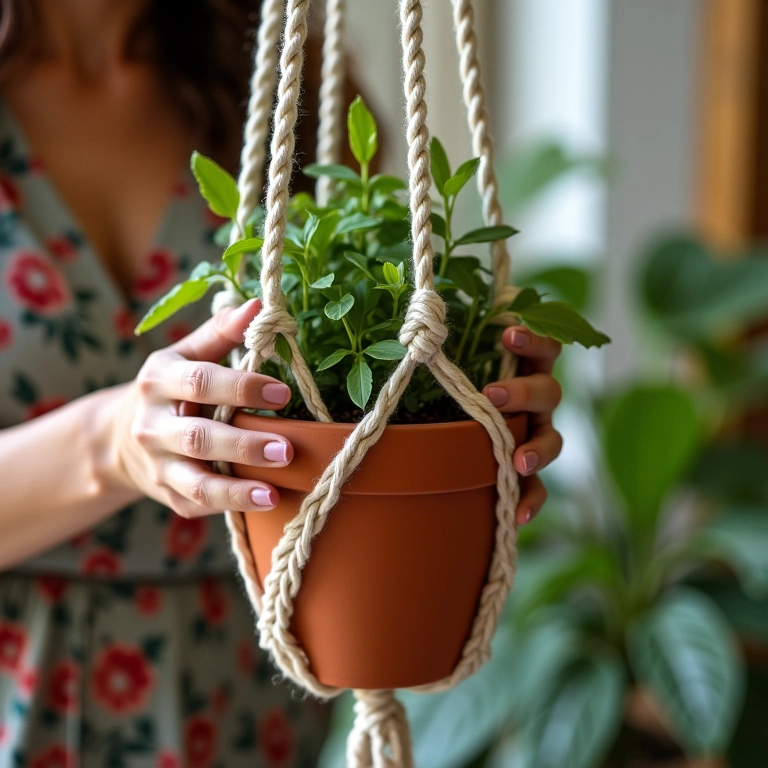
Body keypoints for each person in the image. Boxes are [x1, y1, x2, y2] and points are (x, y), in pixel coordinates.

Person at [0, 0, 563, 764]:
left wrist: (475, 395)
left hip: (246, 703)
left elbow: (377, 307)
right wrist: (111, 445)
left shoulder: (274, 63)